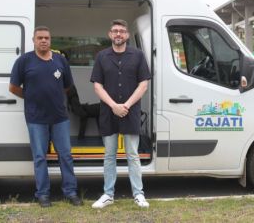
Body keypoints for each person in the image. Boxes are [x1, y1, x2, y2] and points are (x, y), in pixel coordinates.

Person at [9, 26, 83, 207]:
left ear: (51, 41)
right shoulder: (24, 61)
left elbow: (67, 87)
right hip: (36, 118)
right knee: (40, 157)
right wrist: (32, 97)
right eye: (40, 38)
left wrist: (52, 96)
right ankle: (42, 195)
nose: (43, 40)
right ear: (34, 40)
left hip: (60, 117)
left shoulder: (60, 60)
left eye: (47, 38)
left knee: (65, 156)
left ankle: (71, 193)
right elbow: (13, 87)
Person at [90, 19, 151, 208]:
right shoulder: (101, 56)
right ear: (110, 34)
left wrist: (126, 105)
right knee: (109, 155)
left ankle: (138, 194)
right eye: (115, 31)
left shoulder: (138, 55)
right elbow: (97, 85)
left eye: (122, 31)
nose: (118, 34)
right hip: (109, 113)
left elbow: (143, 84)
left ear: (126, 35)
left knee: (132, 154)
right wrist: (113, 105)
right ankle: (108, 194)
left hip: (130, 112)